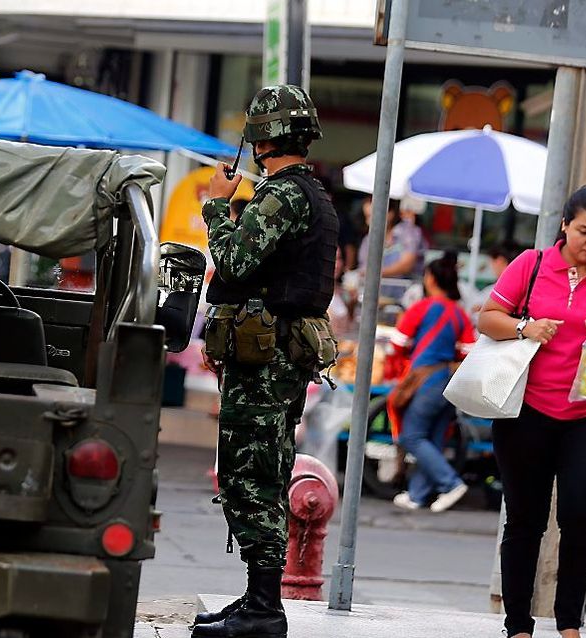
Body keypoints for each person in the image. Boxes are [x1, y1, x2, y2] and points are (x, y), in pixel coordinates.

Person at [192, 85, 338, 638]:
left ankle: (262, 608)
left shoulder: (283, 196)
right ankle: (258, 597)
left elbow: (231, 262)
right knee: (265, 470)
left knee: (251, 473)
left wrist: (216, 204)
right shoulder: (314, 195)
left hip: (266, 359)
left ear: (261, 141)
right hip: (280, 355)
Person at [478, 185, 586, 638]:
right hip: (526, 410)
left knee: (582, 515)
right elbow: (487, 317)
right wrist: (527, 326)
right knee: (525, 519)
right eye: (584, 231)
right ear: (565, 224)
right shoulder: (530, 265)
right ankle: (518, 625)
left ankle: (569, 622)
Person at [390, 256, 476, 512]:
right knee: (434, 438)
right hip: (451, 380)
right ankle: (417, 495)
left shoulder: (421, 307)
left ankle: (450, 484)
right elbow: (468, 350)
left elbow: (398, 342)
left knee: (412, 436)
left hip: (426, 380)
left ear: (430, 278)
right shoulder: (460, 314)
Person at [357, 195, 426, 301]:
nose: (368, 222)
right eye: (366, 217)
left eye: (371, 216)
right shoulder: (368, 239)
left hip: (407, 298)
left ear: (390, 214)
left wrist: (374, 273)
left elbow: (406, 265)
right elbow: (363, 267)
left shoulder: (409, 233)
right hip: (379, 300)